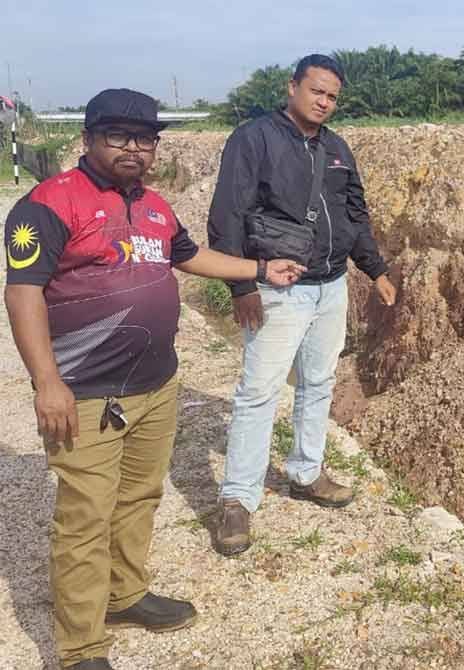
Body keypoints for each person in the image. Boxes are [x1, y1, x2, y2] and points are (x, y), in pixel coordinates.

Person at [3, 88, 305, 670]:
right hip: (85, 393)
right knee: (86, 516)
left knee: (139, 497)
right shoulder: (48, 204)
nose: (134, 149)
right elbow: (22, 293)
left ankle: (125, 594)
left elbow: (189, 257)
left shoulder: (156, 206)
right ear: (87, 139)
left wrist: (260, 268)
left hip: (155, 386)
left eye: (145, 138)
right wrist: (47, 382)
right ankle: (81, 648)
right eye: (118, 136)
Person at [207, 53, 397, 556]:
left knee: (319, 382)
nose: (324, 102)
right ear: (292, 86)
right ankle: (237, 499)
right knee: (259, 391)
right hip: (277, 287)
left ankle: (306, 471)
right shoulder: (254, 139)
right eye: (316, 91)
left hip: (330, 286)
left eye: (333, 96)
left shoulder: (337, 148)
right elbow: (228, 214)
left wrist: (374, 269)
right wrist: (242, 287)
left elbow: (354, 214)